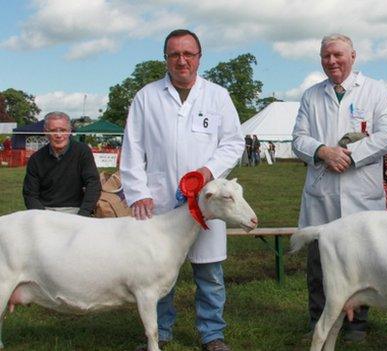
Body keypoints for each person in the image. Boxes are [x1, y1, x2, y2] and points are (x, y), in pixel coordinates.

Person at [120, 29, 245, 351]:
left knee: (210, 271)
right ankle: (159, 331)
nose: (182, 60)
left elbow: (233, 143)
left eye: (188, 54)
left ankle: (212, 334)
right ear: (165, 59)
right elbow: (132, 148)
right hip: (160, 199)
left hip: (207, 199)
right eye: (174, 54)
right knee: (156, 270)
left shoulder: (217, 95)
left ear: (199, 57)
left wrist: (208, 171)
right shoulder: (147, 97)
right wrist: (138, 193)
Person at [292, 33, 387, 341]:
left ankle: (357, 323)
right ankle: (318, 319)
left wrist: (352, 157)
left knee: (362, 263)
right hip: (321, 195)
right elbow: (298, 139)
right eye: (326, 56)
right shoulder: (311, 96)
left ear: (353, 56)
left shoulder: (375, 91)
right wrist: (323, 152)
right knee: (319, 263)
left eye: (338, 55)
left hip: (359, 193)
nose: (332, 61)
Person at [22, 111, 101, 216]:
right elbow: (30, 195)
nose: (59, 135)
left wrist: (83, 214)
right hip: (45, 210)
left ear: (69, 131)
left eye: (63, 130)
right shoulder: (36, 159)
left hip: (76, 210)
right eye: (53, 130)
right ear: (46, 132)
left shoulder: (82, 151)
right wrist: (43, 217)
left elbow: (93, 184)